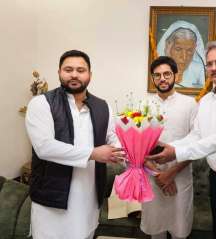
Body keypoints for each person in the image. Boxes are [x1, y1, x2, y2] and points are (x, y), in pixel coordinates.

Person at [25, 50, 125, 239]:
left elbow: (113, 138)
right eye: (68, 69)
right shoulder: (41, 103)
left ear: (90, 74)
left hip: (88, 198)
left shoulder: (103, 107)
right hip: (51, 202)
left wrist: (136, 159)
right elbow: (44, 147)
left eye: (81, 70)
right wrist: (93, 154)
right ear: (59, 72)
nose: (74, 74)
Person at [147, 41, 216, 239]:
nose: (213, 68)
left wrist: (176, 153)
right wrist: (172, 147)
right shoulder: (206, 100)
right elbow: (197, 135)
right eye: (209, 63)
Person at [141, 56, 198, 239]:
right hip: (152, 177)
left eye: (167, 74)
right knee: (156, 231)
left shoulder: (190, 104)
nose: (162, 79)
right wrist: (159, 175)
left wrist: (171, 173)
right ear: (152, 78)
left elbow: (196, 144)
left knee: (180, 231)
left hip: (180, 177)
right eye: (157, 75)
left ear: (176, 76)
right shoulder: (144, 105)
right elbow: (137, 146)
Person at [157, 20, 206, 88]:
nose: (184, 57)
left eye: (189, 50)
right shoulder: (158, 69)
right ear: (168, 46)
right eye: (178, 49)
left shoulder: (199, 69)